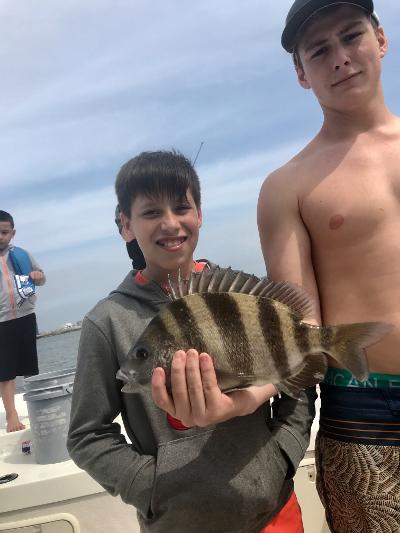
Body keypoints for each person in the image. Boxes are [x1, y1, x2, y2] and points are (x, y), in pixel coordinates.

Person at [67, 150, 316, 533]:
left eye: (182, 207)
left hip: (274, 513)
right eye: (151, 212)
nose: (170, 223)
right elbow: (87, 435)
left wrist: (283, 454)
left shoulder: (244, 299)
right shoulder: (108, 322)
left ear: (199, 214)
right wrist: (150, 486)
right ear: (126, 225)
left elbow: (296, 376)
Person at [257, 1, 400, 531]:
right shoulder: (287, 187)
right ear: (301, 73)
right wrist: (249, 389)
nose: (340, 57)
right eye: (319, 50)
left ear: (380, 39)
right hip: (364, 415)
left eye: (351, 36)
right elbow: (301, 327)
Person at [0, 210, 46, 432]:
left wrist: (38, 276)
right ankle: (11, 416)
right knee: (5, 371)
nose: (0, 236)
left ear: (12, 232)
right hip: (1, 322)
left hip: (26, 316)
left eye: (4, 232)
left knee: (30, 367)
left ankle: (38, 408)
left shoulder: (23, 254)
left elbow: (42, 277)